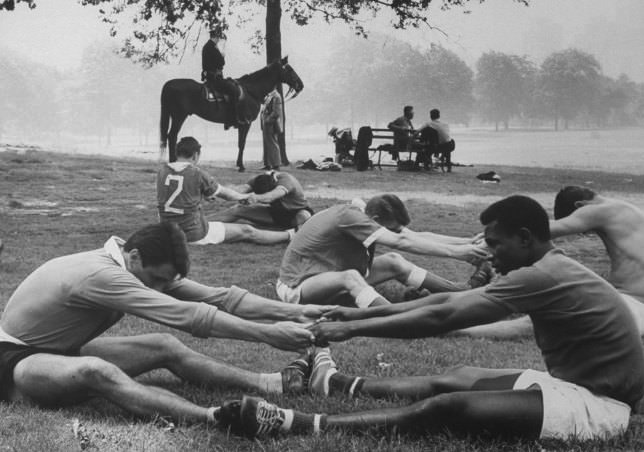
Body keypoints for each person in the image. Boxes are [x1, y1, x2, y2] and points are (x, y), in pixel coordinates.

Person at [226, 195, 644, 441]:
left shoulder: (542, 276)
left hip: (603, 407)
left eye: (496, 245)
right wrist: (359, 313)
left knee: (448, 406)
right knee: (460, 374)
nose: (490, 254)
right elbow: (437, 305)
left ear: (525, 239)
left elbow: (442, 316)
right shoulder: (548, 267)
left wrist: (351, 326)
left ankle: (303, 423)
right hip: (575, 386)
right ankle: (336, 383)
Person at [0, 222, 336, 426]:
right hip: (16, 367)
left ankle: (276, 383)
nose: (160, 287)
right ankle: (215, 416)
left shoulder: (133, 266)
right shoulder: (102, 275)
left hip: (59, 352)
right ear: (136, 255)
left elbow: (221, 298)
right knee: (97, 371)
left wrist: (294, 313)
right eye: (157, 280)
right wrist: (268, 335)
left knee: (164, 345)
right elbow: (188, 316)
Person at [461, 185, 644, 338]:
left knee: (553, 318)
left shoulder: (599, 210)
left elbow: (543, 230)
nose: (585, 233)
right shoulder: (627, 210)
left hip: (635, 304)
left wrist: (495, 236)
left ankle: (459, 331)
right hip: (629, 298)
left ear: (580, 205)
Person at [275, 194, 488, 307]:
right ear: (376, 220)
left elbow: (414, 235)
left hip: (325, 275)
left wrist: (465, 243)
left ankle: (461, 292)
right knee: (350, 277)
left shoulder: (364, 214)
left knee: (394, 261)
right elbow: (402, 241)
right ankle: (397, 316)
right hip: (298, 286)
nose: (396, 232)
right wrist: (458, 254)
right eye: (392, 228)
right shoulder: (350, 217)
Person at [157, 136, 292, 245]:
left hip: (167, 232)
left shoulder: (162, 171)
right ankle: (291, 235)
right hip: (192, 233)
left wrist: (201, 195)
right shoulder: (197, 173)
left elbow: (178, 192)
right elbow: (226, 194)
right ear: (195, 155)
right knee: (247, 230)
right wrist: (243, 197)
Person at [208, 170, 313, 231]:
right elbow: (240, 190)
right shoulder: (258, 180)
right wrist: (215, 193)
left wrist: (255, 198)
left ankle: (295, 234)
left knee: (304, 216)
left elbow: (271, 196)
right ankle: (201, 223)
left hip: (296, 213)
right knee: (238, 210)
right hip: (276, 214)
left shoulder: (286, 181)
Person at [201, 32, 242, 128]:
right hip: (215, 79)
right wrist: (222, 54)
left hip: (211, 77)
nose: (219, 40)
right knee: (232, 90)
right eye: (218, 38)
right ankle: (231, 120)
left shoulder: (207, 46)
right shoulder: (212, 48)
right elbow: (221, 63)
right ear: (215, 37)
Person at [261, 88, 283, 171]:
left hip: (271, 124)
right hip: (266, 123)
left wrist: (267, 120)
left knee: (272, 143)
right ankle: (268, 164)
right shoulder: (270, 95)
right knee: (266, 144)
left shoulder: (276, 96)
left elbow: (276, 112)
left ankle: (276, 165)